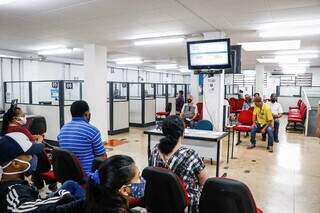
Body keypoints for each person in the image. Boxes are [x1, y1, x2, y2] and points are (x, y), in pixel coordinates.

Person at [0, 132, 84, 213]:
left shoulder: (17, 179)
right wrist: (64, 196)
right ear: (15, 164)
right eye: (30, 154)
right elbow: (28, 209)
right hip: (35, 205)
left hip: (35, 200)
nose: (34, 157)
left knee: (70, 184)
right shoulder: (13, 193)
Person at [149, 115, 209, 213]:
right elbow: (205, 182)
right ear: (182, 132)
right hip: (184, 206)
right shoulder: (190, 155)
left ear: (164, 132)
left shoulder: (155, 150)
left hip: (160, 202)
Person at [1, 105, 51, 190]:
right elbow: (34, 146)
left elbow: (27, 140)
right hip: (28, 163)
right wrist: (39, 140)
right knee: (39, 155)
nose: (25, 117)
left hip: (17, 159)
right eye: (23, 115)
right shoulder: (21, 130)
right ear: (15, 119)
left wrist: (31, 137)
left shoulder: (8, 129)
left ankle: (40, 185)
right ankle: (42, 185)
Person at [58, 101, 107, 176]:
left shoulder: (63, 129)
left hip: (67, 173)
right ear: (86, 114)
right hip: (86, 174)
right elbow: (102, 155)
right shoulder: (92, 130)